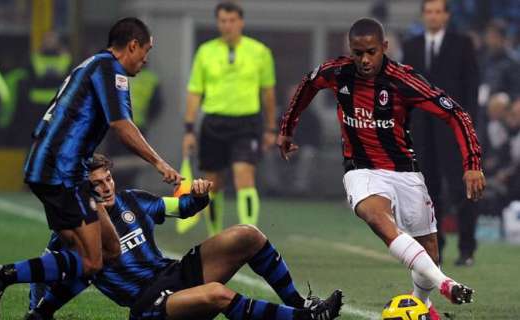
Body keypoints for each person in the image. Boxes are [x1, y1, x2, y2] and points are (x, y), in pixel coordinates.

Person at [277, 18, 485, 320]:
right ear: (350, 50)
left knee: (430, 252)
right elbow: (307, 86)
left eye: (370, 52)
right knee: (376, 215)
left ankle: (424, 308)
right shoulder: (336, 72)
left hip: (405, 172)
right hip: (361, 170)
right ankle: (445, 284)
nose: (363, 60)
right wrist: (287, 128)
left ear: (384, 48)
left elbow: (456, 114)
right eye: (357, 52)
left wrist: (473, 164)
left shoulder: (404, 81)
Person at [0, 17, 182, 320]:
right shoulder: (112, 70)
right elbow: (121, 126)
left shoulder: (94, 65)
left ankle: (34, 306)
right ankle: (4, 277)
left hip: (61, 170)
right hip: (60, 172)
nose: (146, 59)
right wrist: (159, 163)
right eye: (146, 51)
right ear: (133, 45)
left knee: (108, 250)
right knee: (92, 260)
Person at [25, 154, 343, 320]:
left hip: (174, 275)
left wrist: (201, 195)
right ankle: (304, 318)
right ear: (83, 189)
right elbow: (55, 272)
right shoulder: (75, 231)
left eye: (108, 179)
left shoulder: (134, 200)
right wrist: (40, 310)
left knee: (247, 235)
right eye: (98, 183)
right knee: (218, 294)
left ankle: (300, 302)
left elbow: (185, 207)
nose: (107, 187)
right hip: (148, 304)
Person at [182, 1, 277, 236]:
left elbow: (268, 93)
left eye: (232, 20)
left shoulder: (260, 52)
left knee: (244, 175)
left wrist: (271, 129)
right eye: (223, 21)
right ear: (218, 22)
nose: (227, 25)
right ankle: (215, 236)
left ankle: (249, 234)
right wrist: (189, 129)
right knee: (211, 183)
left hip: (247, 123)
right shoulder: (205, 52)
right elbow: (195, 92)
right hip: (214, 122)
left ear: (241, 22)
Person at [402, 0, 481, 267]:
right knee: (428, 193)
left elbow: (471, 86)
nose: (433, 16)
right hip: (422, 132)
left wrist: (469, 126)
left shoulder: (463, 44)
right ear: (423, 15)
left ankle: (467, 249)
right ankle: (436, 250)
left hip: (453, 129)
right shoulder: (411, 46)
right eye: (429, 12)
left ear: (446, 15)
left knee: (462, 189)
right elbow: (405, 90)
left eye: (438, 11)